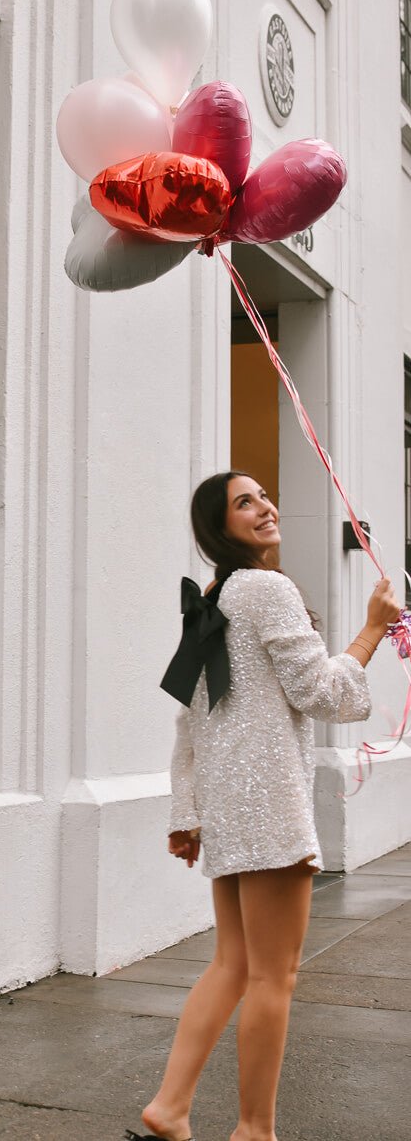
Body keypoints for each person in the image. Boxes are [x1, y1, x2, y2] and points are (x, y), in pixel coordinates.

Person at [138, 471, 401, 1141]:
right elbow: (325, 694)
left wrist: (185, 811)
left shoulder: (214, 596)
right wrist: (371, 630)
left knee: (232, 964)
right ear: (217, 527)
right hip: (268, 807)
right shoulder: (265, 588)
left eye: (261, 495)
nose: (264, 507)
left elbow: (188, 722)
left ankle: (170, 1107)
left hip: (230, 806)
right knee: (273, 975)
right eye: (243, 502)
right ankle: (254, 1129)